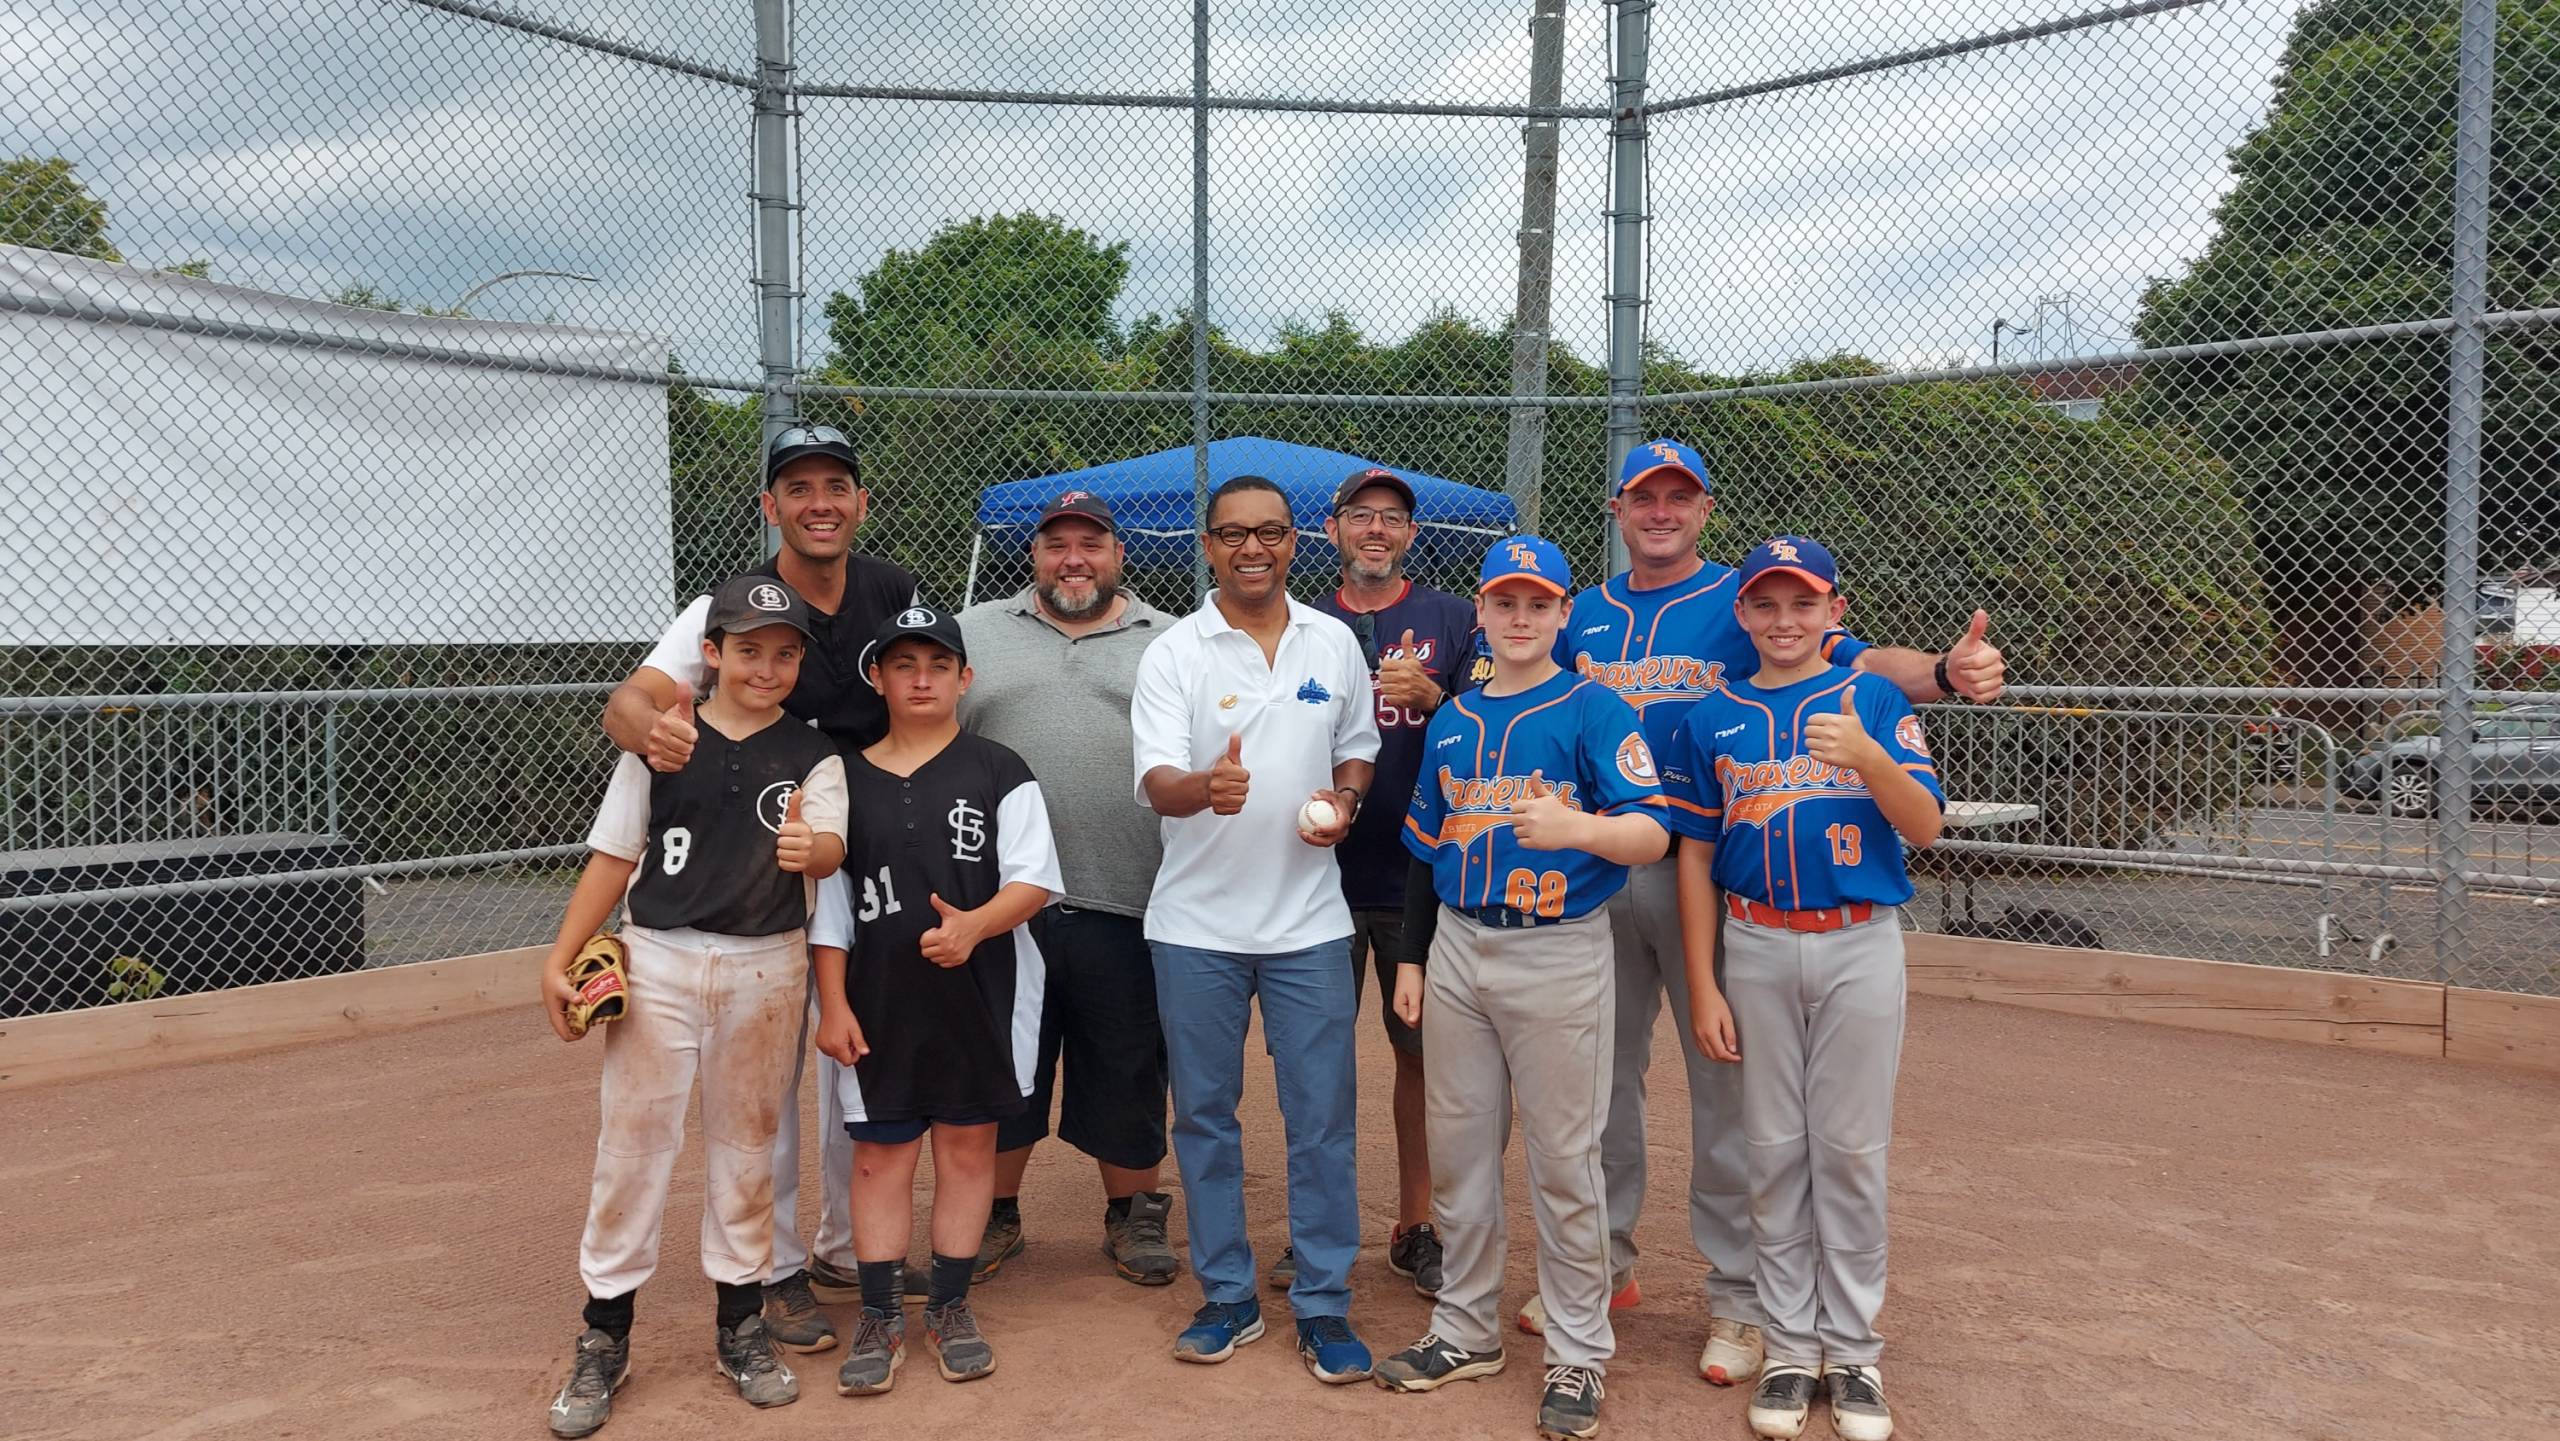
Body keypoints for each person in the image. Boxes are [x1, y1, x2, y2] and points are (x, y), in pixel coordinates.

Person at [1514, 438, 2003, 1392]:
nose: (1661, 510)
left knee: (1729, 1090)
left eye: (1679, 496)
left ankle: (1740, 1297)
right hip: (1601, 858)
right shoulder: (1587, 618)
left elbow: (1864, 664)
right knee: (1599, 1078)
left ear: (1704, 510)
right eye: (1643, 496)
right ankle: (1605, 1264)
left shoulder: (1744, 602)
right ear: (1616, 506)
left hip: (1705, 872)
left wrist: (1944, 670)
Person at [598, 423, 927, 1348]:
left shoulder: (892, 589)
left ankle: (838, 1243)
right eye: (799, 486)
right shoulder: (734, 603)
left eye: (837, 485)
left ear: (861, 502)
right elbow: (631, 699)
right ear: (770, 505)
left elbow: (925, 686)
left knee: (854, 1050)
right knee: (765, 1077)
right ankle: (773, 1265)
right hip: (758, 866)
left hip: (859, 847)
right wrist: (648, 734)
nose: (819, 501)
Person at [1369, 536, 1670, 1441]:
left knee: (1564, 1161)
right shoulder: (1456, 717)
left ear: (1562, 612)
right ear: (1483, 615)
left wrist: (1581, 826)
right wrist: (1414, 959)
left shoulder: (1594, 707)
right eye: (1505, 603)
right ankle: (1465, 1327)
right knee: (1460, 1150)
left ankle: (1579, 1349)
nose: (1521, 617)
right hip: (1459, 944)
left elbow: (1652, 832)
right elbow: (1424, 852)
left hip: (1559, 948)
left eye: (1538, 603)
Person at [540, 575, 850, 1437]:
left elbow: (829, 842)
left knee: (748, 1145)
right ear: (710, 653)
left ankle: (740, 1324)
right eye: (748, 649)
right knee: (632, 1143)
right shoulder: (665, 741)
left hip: (766, 964)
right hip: (662, 957)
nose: (767, 666)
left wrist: (811, 846)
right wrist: (559, 957)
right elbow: (614, 852)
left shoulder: (813, 753)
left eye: (784, 653)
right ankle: (605, 1332)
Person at [1660, 537, 1944, 1441]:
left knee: (1851, 1151)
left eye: (1804, 603)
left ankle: (1853, 1351)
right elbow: (1698, 855)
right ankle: (1789, 1347)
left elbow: (1927, 826)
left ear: (1836, 609)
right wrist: (1702, 981)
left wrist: (1866, 754)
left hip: (1859, 942)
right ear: (1741, 614)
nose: (1786, 621)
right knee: (1774, 1147)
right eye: (1768, 604)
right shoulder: (1713, 714)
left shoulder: (1872, 698)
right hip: (1756, 942)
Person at [1129, 474, 1381, 1384]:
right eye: (1233, 534)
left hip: (1311, 920)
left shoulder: (1333, 638)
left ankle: (1321, 1303)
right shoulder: (1175, 651)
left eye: (1270, 532)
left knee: (1321, 1120)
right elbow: (1157, 781)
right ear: (1207, 545)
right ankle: (1229, 1293)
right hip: (1196, 924)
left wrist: (1345, 798)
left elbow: (1359, 741)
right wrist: (1207, 788)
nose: (1251, 549)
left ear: (1293, 542)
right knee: (1203, 1116)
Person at [810, 606, 1062, 1397]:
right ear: (877, 676)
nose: (922, 678)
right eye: (904, 664)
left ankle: (950, 1304)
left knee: (965, 1149)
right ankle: (881, 1313)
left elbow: (1035, 879)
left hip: (982, 991)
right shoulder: (842, 775)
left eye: (938, 664)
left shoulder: (999, 767)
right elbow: (829, 911)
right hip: (875, 999)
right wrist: (832, 1004)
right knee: (880, 1156)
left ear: (965, 676)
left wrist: (975, 927)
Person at [956, 490, 1182, 1287]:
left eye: (1092, 543)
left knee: (1127, 1063)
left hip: (1128, 893)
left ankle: (1133, 1214)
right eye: (1057, 544)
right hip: (1000, 905)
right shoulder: (975, 631)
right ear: (1035, 556)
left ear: (1121, 555)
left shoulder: (1169, 640)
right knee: (1000, 1066)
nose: (1074, 558)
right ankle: (994, 1214)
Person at [1305, 464, 1476, 1299]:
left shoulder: (1452, 618)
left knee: (1423, 1058)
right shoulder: (1303, 624)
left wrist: (1440, 697)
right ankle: (1320, 1227)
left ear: (1411, 536)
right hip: (1316, 877)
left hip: (1422, 875)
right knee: (1319, 1059)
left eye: (1393, 518)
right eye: (1361, 515)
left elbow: (1498, 731)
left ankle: (1417, 1225)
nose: (1376, 529)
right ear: (1331, 530)